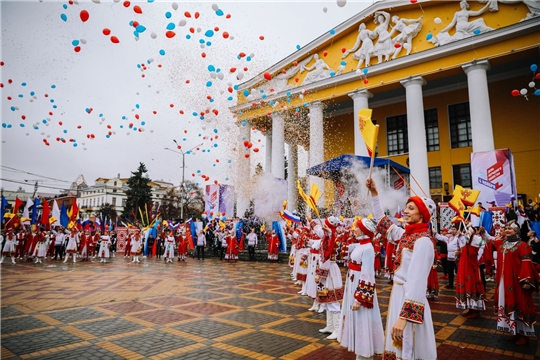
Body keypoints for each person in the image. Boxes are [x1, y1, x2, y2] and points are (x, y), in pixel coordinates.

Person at [366, 177, 437, 360]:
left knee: (409, 348)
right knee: (399, 347)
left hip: (410, 301)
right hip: (399, 296)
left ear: (422, 215)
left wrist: (404, 317)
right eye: (406, 207)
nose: (405, 211)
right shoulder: (405, 235)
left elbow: (417, 282)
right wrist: (375, 193)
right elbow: (382, 222)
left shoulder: (423, 241)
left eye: (411, 208)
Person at [482, 221, 540, 345]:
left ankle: (524, 335)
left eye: (510, 228)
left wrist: (526, 280)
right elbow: (488, 242)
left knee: (520, 304)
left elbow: (527, 263)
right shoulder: (502, 244)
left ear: (517, 231)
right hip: (504, 281)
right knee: (508, 304)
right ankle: (514, 331)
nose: (507, 230)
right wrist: (481, 231)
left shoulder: (522, 245)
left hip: (517, 282)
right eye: (506, 228)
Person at [337, 218, 384, 359]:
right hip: (353, 284)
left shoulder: (368, 248)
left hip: (360, 287)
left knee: (363, 317)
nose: (353, 229)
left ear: (364, 230)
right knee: (356, 318)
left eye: (357, 227)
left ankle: (365, 353)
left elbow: (368, 274)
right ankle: (360, 352)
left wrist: (360, 298)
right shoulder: (360, 245)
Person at [316, 217, 344, 341]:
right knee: (327, 299)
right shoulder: (327, 238)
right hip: (327, 269)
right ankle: (330, 326)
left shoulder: (332, 238)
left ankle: (337, 330)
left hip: (330, 271)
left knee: (333, 301)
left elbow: (327, 257)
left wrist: (320, 274)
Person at [454, 225, 486, 319]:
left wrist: (471, 236)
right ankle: (470, 308)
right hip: (464, 268)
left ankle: (476, 310)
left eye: (469, 231)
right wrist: (459, 253)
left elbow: (477, 252)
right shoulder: (466, 244)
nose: (466, 233)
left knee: (472, 286)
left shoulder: (476, 241)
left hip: (472, 269)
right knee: (465, 285)